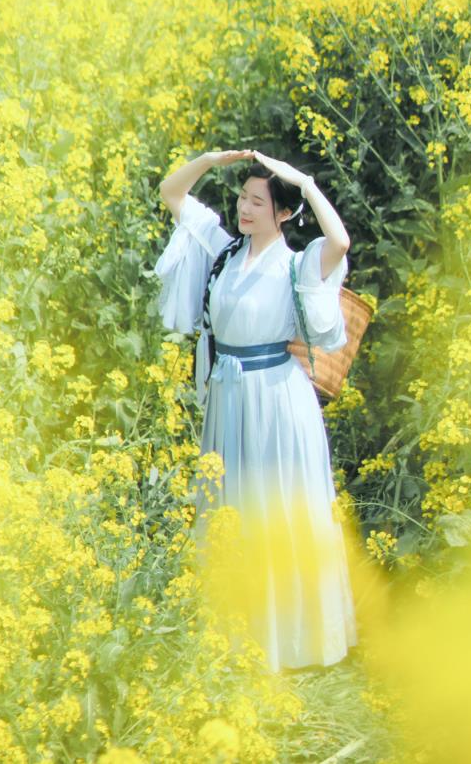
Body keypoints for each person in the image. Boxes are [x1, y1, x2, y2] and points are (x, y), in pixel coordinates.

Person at [154, 145, 358, 671]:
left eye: (258, 203)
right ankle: (232, 634)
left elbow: (340, 240)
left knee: (277, 512)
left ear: (283, 213)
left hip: (277, 402)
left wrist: (305, 182)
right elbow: (172, 192)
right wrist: (212, 160)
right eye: (242, 199)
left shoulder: (299, 263)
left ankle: (290, 642)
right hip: (229, 398)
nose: (245, 210)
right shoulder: (223, 252)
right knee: (231, 512)